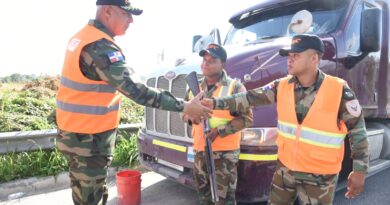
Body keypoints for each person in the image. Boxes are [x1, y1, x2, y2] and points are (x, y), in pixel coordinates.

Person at [55, 1, 210, 204]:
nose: (131, 20)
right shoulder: (98, 46)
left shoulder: (83, 37)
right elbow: (136, 90)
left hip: (76, 134)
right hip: (88, 141)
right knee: (89, 198)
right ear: (107, 11)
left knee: (86, 193)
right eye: (126, 14)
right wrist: (185, 106)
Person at [200, 34, 369, 204]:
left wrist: (360, 170)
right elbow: (249, 97)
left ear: (314, 58)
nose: (290, 59)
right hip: (285, 170)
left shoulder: (339, 89)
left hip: (319, 177)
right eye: (289, 55)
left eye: (296, 55)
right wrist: (214, 102)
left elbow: (357, 130)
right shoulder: (281, 85)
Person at [182, 43, 253, 205]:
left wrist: (219, 131)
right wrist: (191, 118)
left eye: (212, 60)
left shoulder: (235, 87)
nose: (205, 63)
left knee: (224, 200)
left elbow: (247, 118)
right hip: (200, 151)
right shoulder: (194, 87)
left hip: (225, 155)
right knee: (204, 198)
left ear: (223, 64)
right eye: (204, 60)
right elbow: (184, 114)